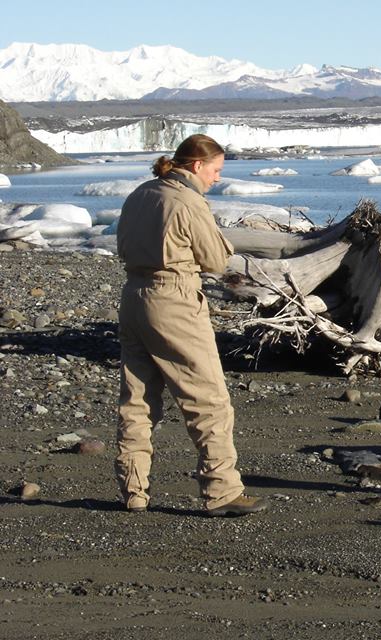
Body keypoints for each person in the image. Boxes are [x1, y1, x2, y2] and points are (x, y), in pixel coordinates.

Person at [115, 134, 267, 517]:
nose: (217, 178)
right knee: (208, 399)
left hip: (134, 296)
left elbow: (122, 246)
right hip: (174, 299)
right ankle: (221, 491)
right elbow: (214, 259)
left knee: (137, 400)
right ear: (197, 166)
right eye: (216, 170)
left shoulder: (141, 194)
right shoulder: (187, 201)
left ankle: (134, 492)